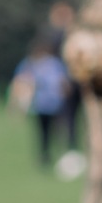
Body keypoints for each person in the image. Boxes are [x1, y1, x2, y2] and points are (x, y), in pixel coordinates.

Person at [12, 35, 76, 170]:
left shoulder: (50, 64)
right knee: (46, 133)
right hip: (43, 105)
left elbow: (64, 83)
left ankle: (60, 156)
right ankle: (46, 157)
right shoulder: (32, 63)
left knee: (53, 133)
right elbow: (22, 83)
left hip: (53, 105)